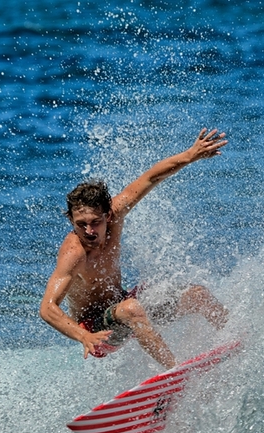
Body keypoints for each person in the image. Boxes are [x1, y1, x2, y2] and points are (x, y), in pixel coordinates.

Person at [39, 128, 230, 369]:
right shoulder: (74, 253)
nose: (89, 231)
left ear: (108, 215)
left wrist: (190, 155)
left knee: (197, 295)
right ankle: (174, 374)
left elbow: (151, 178)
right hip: (97, 330)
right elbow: (47, 308)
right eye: (81, 224)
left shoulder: (116, 214)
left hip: (124, 306)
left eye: (96, 222)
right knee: (132, 308)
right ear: (71, 221)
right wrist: (83, 336)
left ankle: (236, 336)